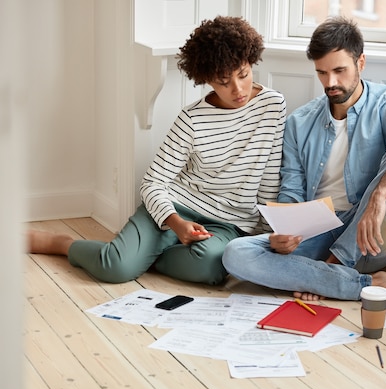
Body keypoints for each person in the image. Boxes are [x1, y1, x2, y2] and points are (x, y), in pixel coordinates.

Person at [27, 16, 286, 286]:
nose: (238, 88)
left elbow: (269, 177)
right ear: (207, 79)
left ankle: (137, 256)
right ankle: (64, 244)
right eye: (223, 81)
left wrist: (267, 237)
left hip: (229, 223)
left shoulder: (273, 105)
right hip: (176, 206)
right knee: (114, 269)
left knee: (212, 269)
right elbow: (153, 182)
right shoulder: (192, 119)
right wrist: (175, 222)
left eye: (243, 74)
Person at [222, 17, 386, 311]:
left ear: (360, 63)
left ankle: (329, 271)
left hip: (369, 234)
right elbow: (291, 191)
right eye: (322, 73)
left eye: (339, 70)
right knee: (236, 254)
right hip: (318, 232)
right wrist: (284, 232)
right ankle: (367, 284)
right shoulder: (299, 123)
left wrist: (379, 196)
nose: (331, 83)